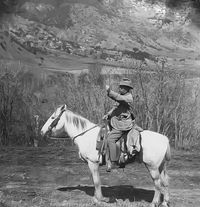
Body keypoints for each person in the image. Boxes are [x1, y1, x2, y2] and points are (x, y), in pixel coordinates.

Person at [104, 78, 140, 172]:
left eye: (121, 88)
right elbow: (116, 106)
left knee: (110, 139)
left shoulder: (128, 97)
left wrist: (109, 91)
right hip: (116, 121)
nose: (119, 89)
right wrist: (108, 114)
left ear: (127, 89)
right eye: (119, 87)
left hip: (123, 124)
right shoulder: (122, 95)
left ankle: (114, 162)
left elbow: (118, 98)